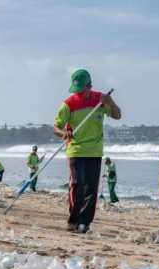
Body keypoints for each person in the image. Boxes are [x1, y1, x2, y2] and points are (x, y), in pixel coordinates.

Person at [53, 69, 121, 233]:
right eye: (77, 90)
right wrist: (64, 133)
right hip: (75, 149)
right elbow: (56, 127)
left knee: (91, 188)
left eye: (82, 89)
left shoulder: (100, 99)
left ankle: (85, 223)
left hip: (95, 150)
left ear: (89, 86)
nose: (79, 93)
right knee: (77, 184)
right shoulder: (68, 104)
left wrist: (110, 102)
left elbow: (117, 115)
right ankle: (73, 220)